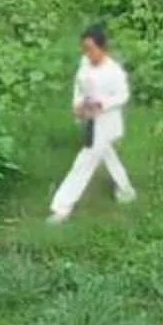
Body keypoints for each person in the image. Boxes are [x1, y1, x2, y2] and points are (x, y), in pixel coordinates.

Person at [48, 27, 136, 224]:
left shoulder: (114, 71)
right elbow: (79, 87)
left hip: (107, 122)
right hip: (90, 120)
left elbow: (123, 96)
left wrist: (101, 104)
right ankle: (126, 190)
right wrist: (78, 105)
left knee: (84, 161)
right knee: (108, 156)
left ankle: (62, 207)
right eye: (84, 49)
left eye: (91, 49)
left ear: (102, 48)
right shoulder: (85, 63)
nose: (87, 54)